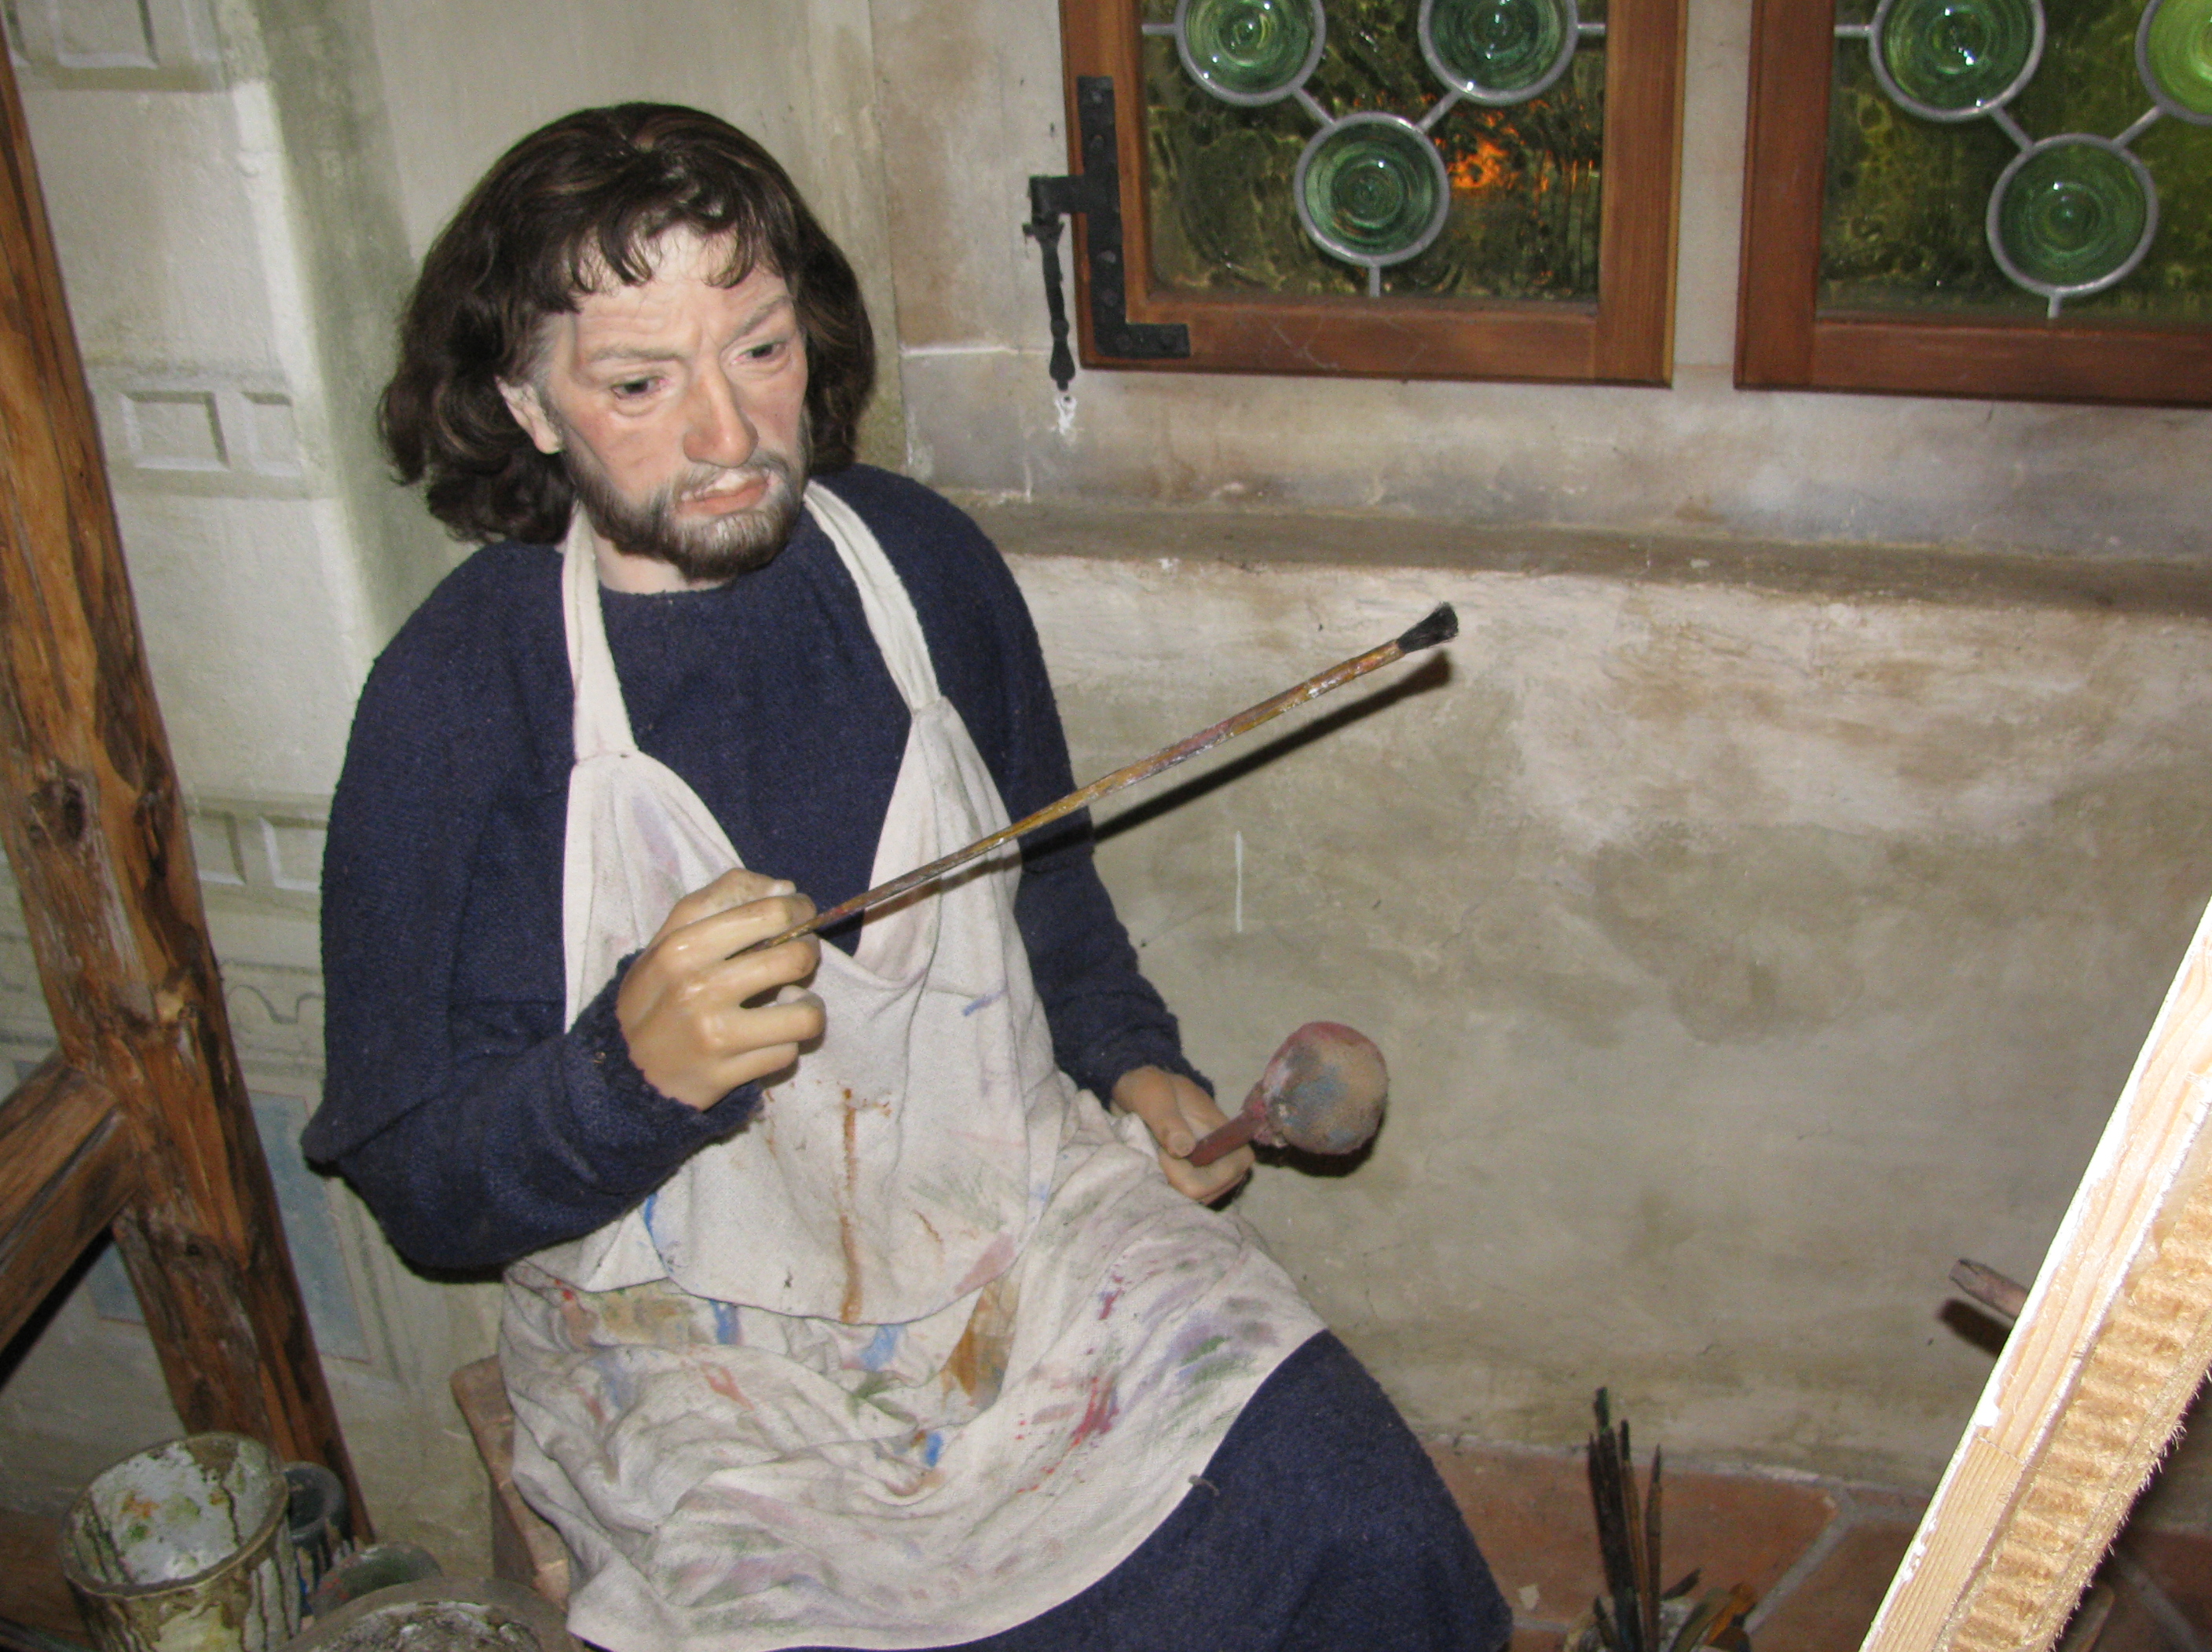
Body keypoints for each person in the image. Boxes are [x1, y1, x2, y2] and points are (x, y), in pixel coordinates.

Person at [306, 102, 1510, 1652]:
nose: (728, 433)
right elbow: (416, 1180)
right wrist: (622, 1079)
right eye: (638, 381)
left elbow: (1046, 892)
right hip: (687, 1342)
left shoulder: (922, 564)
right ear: (526, 401)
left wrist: (1133, 1063)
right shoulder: (458, 697)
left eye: (759, 349)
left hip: (1023, 1230)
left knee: (1363, 1527)